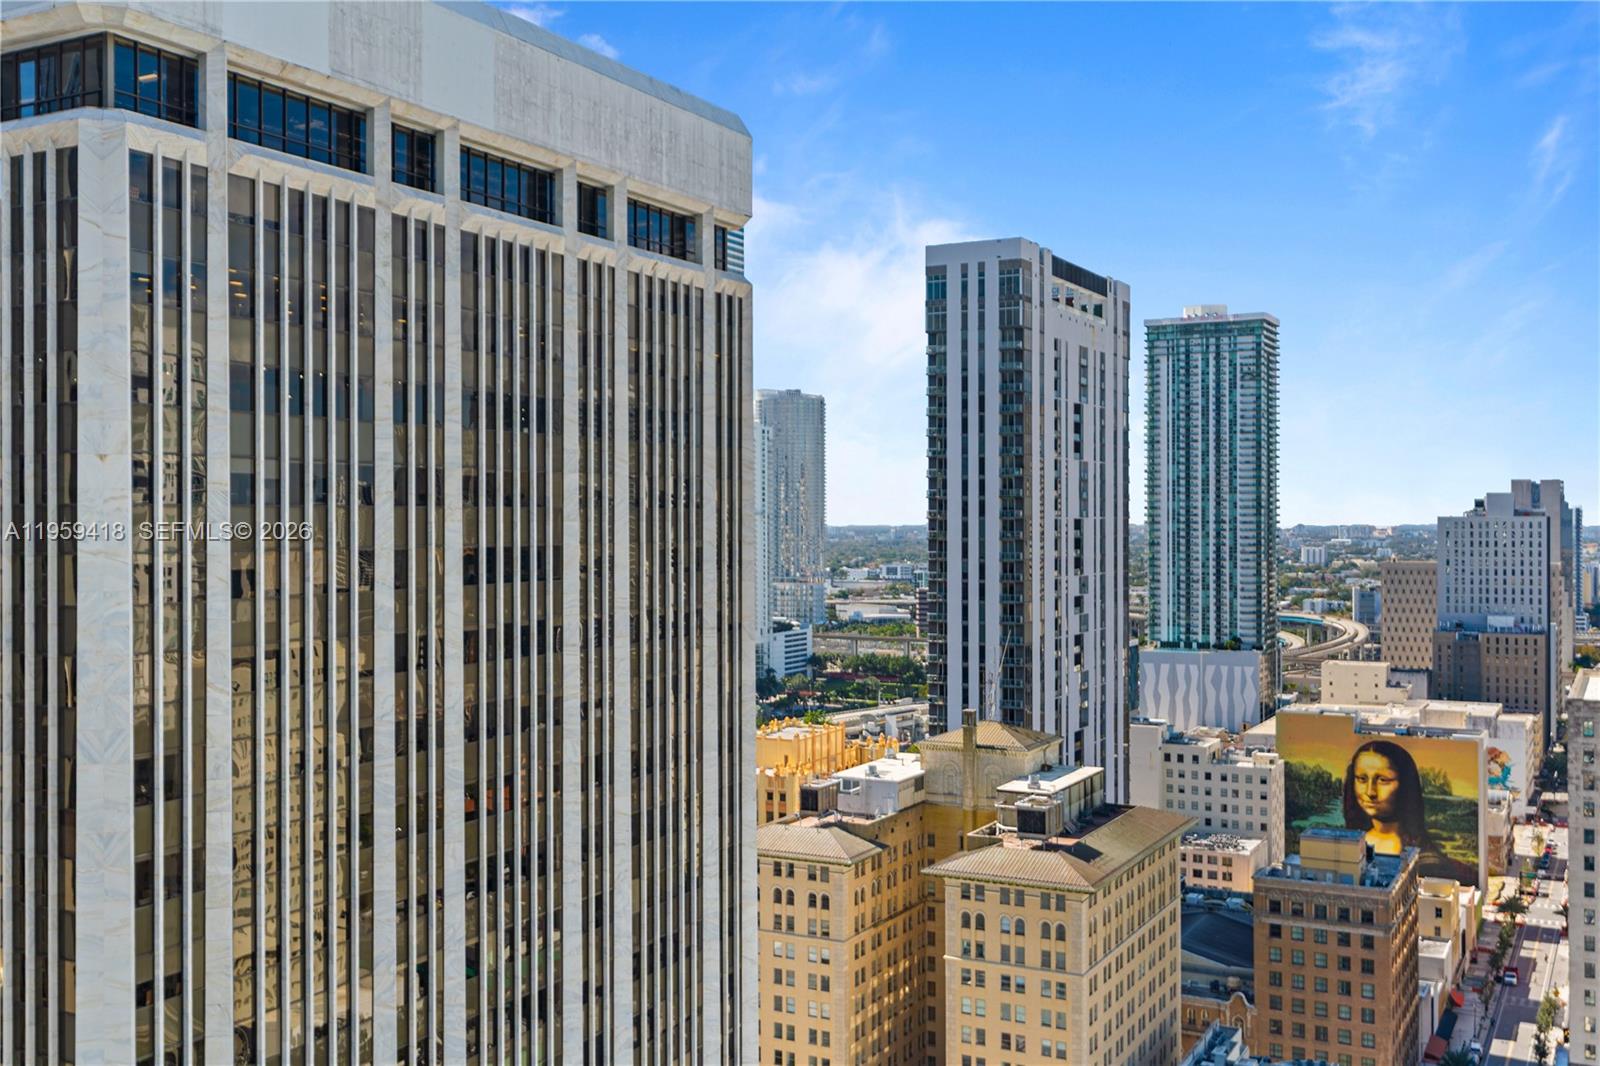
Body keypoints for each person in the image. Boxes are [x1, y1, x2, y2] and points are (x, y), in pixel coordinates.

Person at [1342, 739, 1477, 884]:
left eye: (1383, 780)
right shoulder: (1349, 843)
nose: (1370, 792)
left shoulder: (1427, 861)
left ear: (1405, 785)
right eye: (1362, 779)